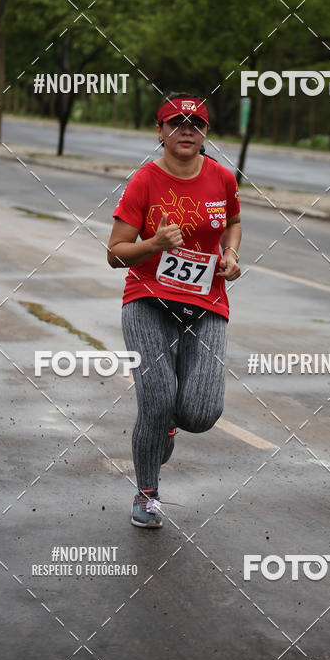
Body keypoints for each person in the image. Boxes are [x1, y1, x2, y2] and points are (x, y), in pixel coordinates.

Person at [107, 93, 242, 527]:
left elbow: (233, 223)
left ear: (206, 133)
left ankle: (167, 427)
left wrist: (231, 255)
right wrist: (153, 245)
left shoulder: (222, 178)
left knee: (201, 414)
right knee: (157, 397)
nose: (187, 130)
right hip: (148, 300)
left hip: (207, 303)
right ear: (160, 131)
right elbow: (115, 253)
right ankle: (147, 494)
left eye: (196, 124)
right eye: (177, 123)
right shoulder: (144, 181)